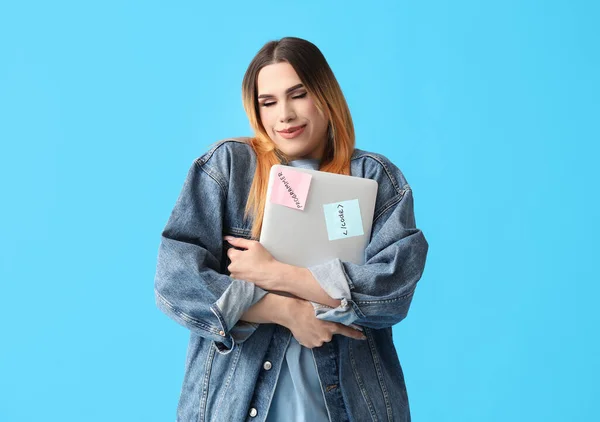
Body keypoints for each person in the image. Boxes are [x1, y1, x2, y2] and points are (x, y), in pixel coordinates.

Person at [154, 36, 429, 422]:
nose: (284, 115)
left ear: (325, 94)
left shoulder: (375, 178)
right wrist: (283, 310)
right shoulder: (228, 168)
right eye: (268, 102)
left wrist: (276, 273)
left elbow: (391, 290)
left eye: (298, 95)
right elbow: (175, 280)